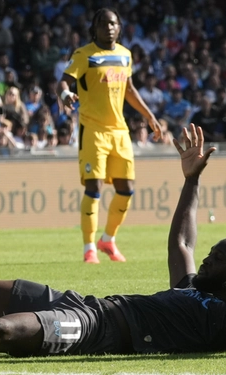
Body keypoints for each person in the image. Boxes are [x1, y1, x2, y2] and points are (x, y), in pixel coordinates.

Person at [0, 124, 226, 363]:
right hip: (82, 304)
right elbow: (183, 242)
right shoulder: (190, 286)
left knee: (0, 332)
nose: (206, 258)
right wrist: (191, 180)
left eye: (217, 258)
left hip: (95, 330)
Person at [57, 7, 162, 263]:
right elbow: (63, 81)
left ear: (120, 27)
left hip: (120, 130)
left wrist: (149, 116)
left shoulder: (125, 56)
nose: (109, 28)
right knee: (93, 188)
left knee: (126, 189)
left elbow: (129, 89)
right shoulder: (84, 55)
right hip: (93, 130)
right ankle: (89, 248)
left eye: (113, 23)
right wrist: (65, 94)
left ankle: (108, 239)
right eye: (103, 24)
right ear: (95, 28)